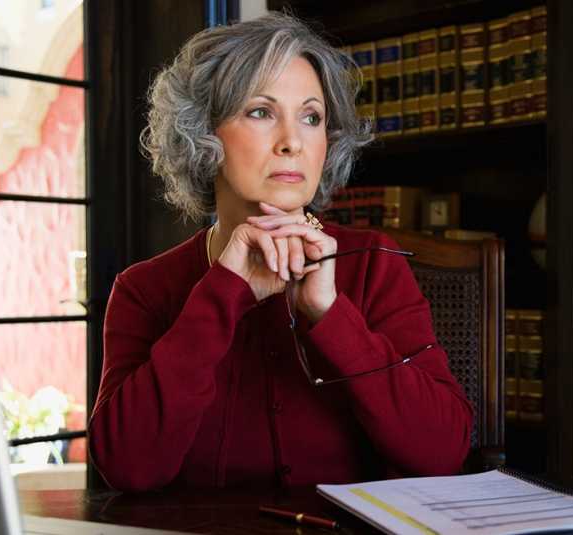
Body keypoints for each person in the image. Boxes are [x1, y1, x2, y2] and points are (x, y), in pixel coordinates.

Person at [88, 12, 473, 492]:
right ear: (201, 134)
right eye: (261, 112)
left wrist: (330, 314)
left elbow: (442, 452)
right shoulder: (144, 289)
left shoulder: (375, 262)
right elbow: (129, 468)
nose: (293, 141)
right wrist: (222, 293)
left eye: (311, 117)